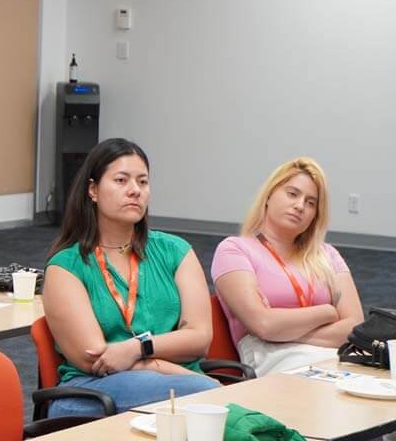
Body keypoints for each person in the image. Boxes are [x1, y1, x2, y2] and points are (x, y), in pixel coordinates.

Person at [42, 138, 219, 417]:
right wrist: (203, 383)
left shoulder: (175, 251)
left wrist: (137, 348)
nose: (135, 191)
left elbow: (200, 339)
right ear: (93, 190)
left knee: (209, 405)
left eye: (143, 182)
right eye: (121, 180)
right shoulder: (66, 267)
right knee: (208, 402)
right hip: (94, 393)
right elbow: (100, 360)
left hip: (180, 384)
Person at [212, 157, 363, 376]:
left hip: (332, 358)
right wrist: (328, 311)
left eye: (311, 202)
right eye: (292, 194)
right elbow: (263, 324)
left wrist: (280, 328)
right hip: (274, 363)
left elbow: (355, 327)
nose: (300, 205)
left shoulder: (327, 255)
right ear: (269, 195)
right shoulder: (234, 250)